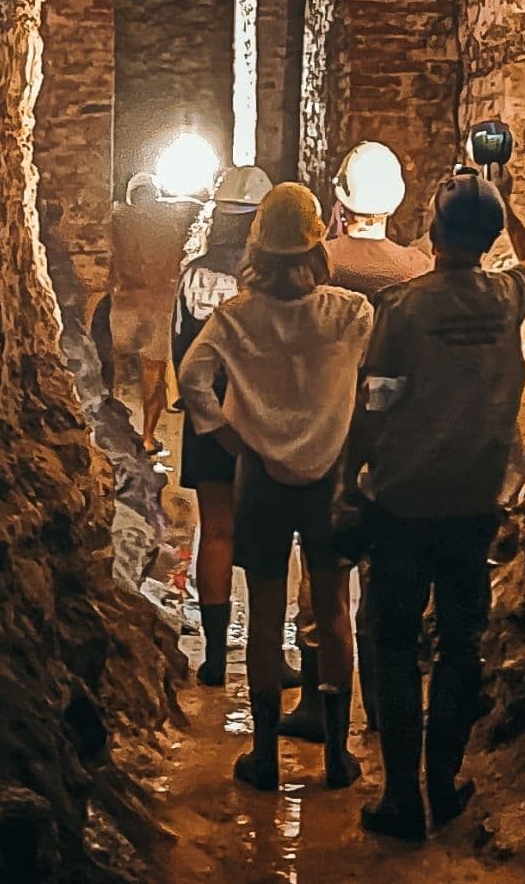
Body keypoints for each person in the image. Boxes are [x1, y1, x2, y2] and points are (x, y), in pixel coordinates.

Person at [352, 164, 525, 841]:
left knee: (396, 641)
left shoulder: (403, 308)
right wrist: (507, 205)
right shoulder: (506, 297)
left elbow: (375, 400)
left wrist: (352, 475)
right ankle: (443, 784)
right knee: (461, 645)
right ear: (489, 238)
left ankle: (401, 797)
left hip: (405, 500)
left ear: (433, 234)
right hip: (475, 499)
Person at [176, 182, 373, 792]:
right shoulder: (351, 313)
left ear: (258, 248)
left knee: (264, 613)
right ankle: (337, 754)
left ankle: (264, 755)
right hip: (330, 478)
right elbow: (374, 381)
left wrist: (228, 436)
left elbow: (192, 377)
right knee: (332, 610)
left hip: (261, 477)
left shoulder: (236, 317)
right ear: (317, 248)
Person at [280, 141, 433, 744]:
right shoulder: (416, 267)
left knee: (323, 574)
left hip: (328, 432)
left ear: (338, 201)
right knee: (384, 574)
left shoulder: (318, 263)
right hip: (394, 439)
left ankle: (320, 708)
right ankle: (381, 709)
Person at [169, 164, 272, 686]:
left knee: (216, 530)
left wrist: (204, 413)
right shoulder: (273, 283)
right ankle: (266, 656)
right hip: (263, 419)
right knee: (268, 536)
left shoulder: (194, 275)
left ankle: (214, 658)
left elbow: (179, 347)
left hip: (207, 415)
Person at [109, 172, 189, 457]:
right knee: (154, 371)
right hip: (159, 306)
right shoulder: (171, 222)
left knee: (111, 365)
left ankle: (109, 427)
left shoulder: (117, 219)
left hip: (125, 304)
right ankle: (147, 437)